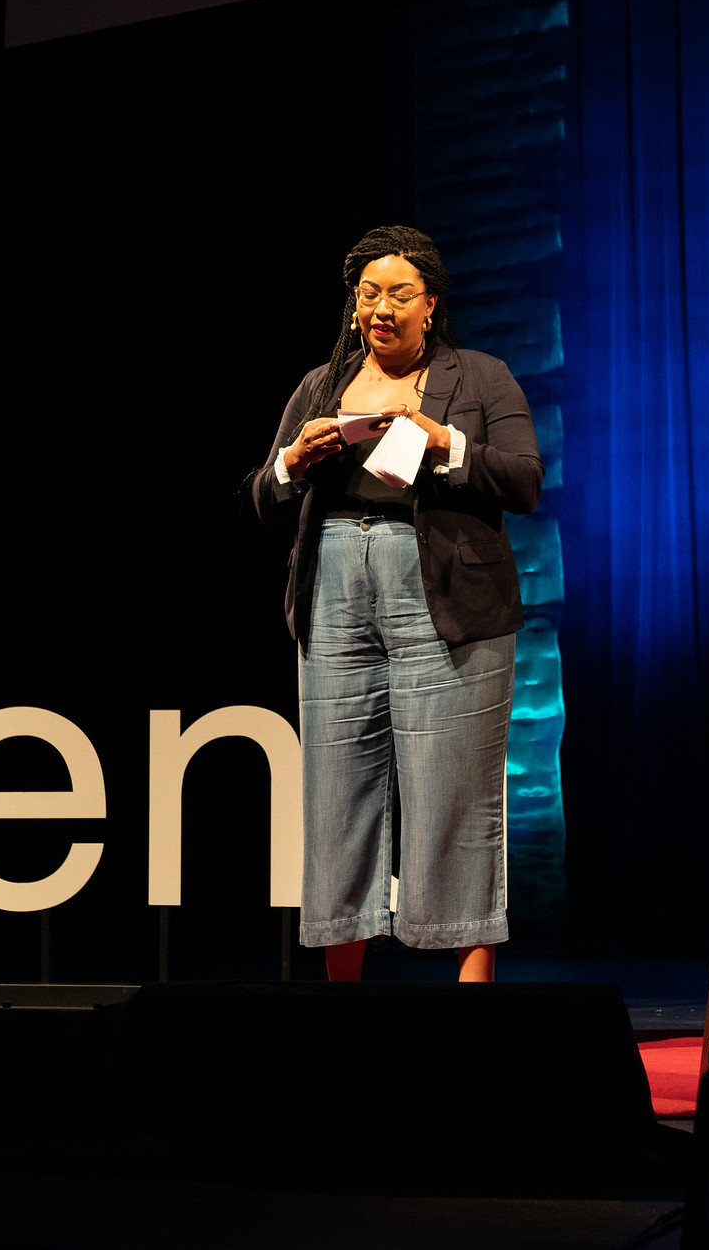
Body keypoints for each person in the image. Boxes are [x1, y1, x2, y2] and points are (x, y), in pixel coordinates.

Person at [251, 225, 543, 984]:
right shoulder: (321, 385)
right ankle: (342, 991)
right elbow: (262, 496)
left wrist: (444, 443)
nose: (382, 307)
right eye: (370, 294)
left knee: (453, 788)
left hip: (440, 590)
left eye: (399, 294)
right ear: (355, 307)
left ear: (431, 305)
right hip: (334, 589)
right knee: (336, 792)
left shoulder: (479, 378)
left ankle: (470, 990)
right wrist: (292, 460)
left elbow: (524, 479)